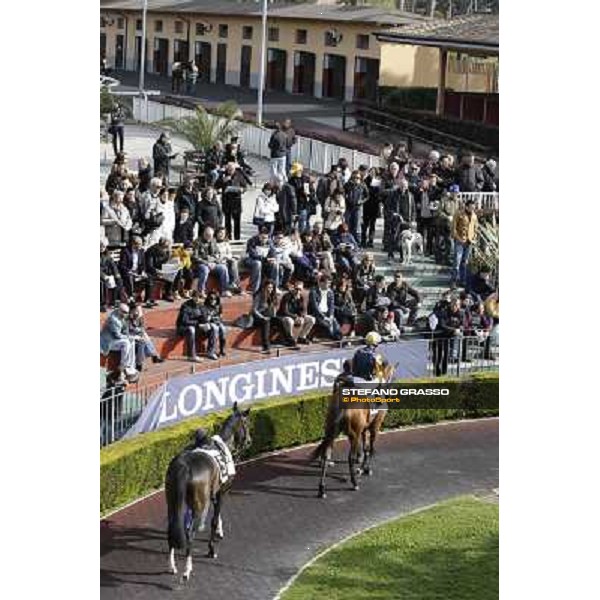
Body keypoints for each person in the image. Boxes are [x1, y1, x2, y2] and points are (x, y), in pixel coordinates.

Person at [100, 303, 138, 379]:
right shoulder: (113, 319)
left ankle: (130, 366)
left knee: (132, 342)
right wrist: (130, 337)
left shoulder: (122, 317)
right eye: (125, 313)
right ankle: (123, 366)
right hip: (108, 343)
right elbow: (117, 336)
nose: (126, 314)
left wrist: (132, 335)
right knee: (126, 343)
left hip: (115, 340)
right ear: (119, 311)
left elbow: (125, 331)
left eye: (127, 312)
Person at [192, 226, 231, 298]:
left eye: (210, 236)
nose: (209, 237)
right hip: (201, 264)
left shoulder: (213, 240)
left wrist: (214, 262)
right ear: (204, 233)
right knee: (205, 270)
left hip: (212, 263)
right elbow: (195, 257)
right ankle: (201, 291)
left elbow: (217, 254)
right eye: (207, 235)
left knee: (223, 268)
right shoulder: (197, 242)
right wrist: (207, 263)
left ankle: (224, 290)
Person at [215, 162, 247, 241]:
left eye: (232, 169)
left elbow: (245, 186)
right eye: (229, 169)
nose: (230, 171)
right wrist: (223, 181)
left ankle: (237, 238)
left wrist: (242, 190)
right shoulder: (222, 175)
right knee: (227, 221)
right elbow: (216, 185)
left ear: (234, 169)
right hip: (226, 201)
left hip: (236, 201)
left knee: (237, 222)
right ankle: (228, 237)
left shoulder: (239, 175)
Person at [277, 281, 315, 347]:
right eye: (296, 289)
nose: (298, 291)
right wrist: (295, 317)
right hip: (284, 316)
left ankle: (302, 337)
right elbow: (284, 311)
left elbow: (303, 310)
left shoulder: (301, 297)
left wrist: (301, 317)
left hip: (296, 316)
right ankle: (290, 340)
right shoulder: (287, 296)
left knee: (311, 319)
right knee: (290, 321)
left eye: (300, 289)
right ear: (293, 288)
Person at [128, 302, 164, 371]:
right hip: (129, 336)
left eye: (140, 310)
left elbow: (142, 328)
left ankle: (140, 363)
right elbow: (128, 330)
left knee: (143, 339)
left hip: (138, 335)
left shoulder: (141, 318)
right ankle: (154, 356)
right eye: (137, 310)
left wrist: (139, 331)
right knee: (144, 338)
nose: (139, 312)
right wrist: (135, 326)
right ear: (132, 310)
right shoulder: (128, 318)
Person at [451, 199, 478, 288]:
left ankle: (463, 280)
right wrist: (457, 238)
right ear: (466, 207)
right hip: (460, 240)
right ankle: (453, 281)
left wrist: (474, 237)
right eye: (471, 207)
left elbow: (475, 227)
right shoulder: (459, 214)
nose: (472, 209)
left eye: (473, 208)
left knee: (465, 262)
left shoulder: (474, 216)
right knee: (457, 261)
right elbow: (453, 228)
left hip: (469, 241)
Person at [242, 227, 277, 295]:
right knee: (258, 263)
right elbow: (253, 254)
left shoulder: (269, 241)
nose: (264, 240)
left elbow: (273, 252)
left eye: (266, 238)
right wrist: (266, 259)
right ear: (259, 235)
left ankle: (272, 286)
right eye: (262, 237)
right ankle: (254, 288)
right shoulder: (252, 240)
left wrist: (273, 258)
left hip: (263, 260)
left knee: (274, 264)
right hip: (250, 260)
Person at [308, 275, 342, 341]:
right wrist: (324, 317)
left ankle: (339, 337)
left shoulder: (330, 292)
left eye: (330, 283)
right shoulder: (313, 291)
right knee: (327, 324)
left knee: (334, 321)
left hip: (327, 314)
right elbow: (315, 307)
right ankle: (335, 338)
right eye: (327, 283)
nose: (329, 285)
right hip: (317, 314)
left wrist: (331, 315)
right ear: (321, 283)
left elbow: (332, 306)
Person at [144, 238, 175, 307]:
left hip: (160, 269)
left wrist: (170, 257)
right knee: (150, 278)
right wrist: (157, 271)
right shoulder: (151, 251)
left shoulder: (166, 251)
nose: (167, 249)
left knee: (173, 272)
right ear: (160, 246)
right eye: (166, 247)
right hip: (151, 270)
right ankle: (149, 299)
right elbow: (149, 265)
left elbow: (165, 262)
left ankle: (168, 294)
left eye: (168, 247)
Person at [176, 290, 204, 363]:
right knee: (191, 330)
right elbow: (184, 321)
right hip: (183, 327)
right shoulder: (186, 306)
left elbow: (203, 318)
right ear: (192, 297)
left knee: (212, 327)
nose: (197, 299)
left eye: (199, 298)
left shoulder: (201, 305)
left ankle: (210, 351)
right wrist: (197, 323)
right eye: (196, 297)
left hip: (195, 326)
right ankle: (191, 356)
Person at [118, 236, 147, 303]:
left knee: (148, 278)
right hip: (128, 271)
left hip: (137, 271)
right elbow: (122, 265)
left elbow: (143, 264)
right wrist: (130, 272)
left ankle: (145, 298)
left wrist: (142, 271)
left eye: (141, 244)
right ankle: (131, 296)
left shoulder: (141, 251)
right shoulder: (125, 251)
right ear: (133, 244)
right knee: (129, 278)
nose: (140, 246)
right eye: (139, 244)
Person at [215, 227, 243, 294]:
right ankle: (226, 288)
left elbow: (230, 254)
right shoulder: (213, 243)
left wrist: (227, 257)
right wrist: (222, 258)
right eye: (220, 233)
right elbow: (214, 255)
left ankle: (235, 284)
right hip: (218, 262)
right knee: (226, 266)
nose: (221, 234)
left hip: (226, 261)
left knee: (234, 262)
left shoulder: (226, 243)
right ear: (216, 233)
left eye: (223, 233)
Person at [200, 291, 227, 360]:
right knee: (215, 329)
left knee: (223, 329)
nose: (212, 300)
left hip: (216, 323)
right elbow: (205, 320)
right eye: (211, 298)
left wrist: (218, 319)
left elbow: (221, 316)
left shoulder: (218, 306)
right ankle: (210, 351)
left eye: (214, 299)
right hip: (206, 326)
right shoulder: (204, 307)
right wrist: (211, 315)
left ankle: (222, 349)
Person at [252, 279, 278, 353]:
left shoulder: (272, 295)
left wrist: (274, 316)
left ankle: (289, 341)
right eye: (268, 287)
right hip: (258, 318)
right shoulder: (259, 295)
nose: (270, 289)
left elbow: (274, 308)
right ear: (264, 287)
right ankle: (266, 347)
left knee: (280, 320)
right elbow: (254, 310)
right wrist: (263, 317)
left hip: (268, 317)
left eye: (271, 288)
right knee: (266, 322)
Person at [288, 163, 314, 234]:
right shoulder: (291, 180)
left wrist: (308, 194)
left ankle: (300, 236)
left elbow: (312, 192)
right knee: (291, 225)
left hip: (303, 205)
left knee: (303, 224)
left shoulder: (306, 179)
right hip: (293, 206)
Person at [344, 170, 369, 244]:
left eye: (357, 178)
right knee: (348, 225)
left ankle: (357, 243)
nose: (356, 179)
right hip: (349, 207)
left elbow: (367, 196)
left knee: (357, 226)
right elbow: (342, 193)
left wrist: (361, 201)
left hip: (358, 208)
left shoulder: (362, 185)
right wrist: (346, 198)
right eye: (354, 177)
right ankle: (349, 242)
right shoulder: (347, 185)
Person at [362, 166, 382, 248]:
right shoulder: (365, 180)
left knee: (372, 225)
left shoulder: (377, 181)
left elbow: (377, 193)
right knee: (365, 224)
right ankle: (363, 240)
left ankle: (370, 240)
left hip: (374, 205)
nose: (372, 173)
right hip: (366, 205)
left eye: (374, 172)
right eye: (371, 171)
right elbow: (365, 192)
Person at [100, 241, 123, 312]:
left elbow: (113, 265)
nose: (102, 248)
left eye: (103, 246)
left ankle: (114, 301)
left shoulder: (107, 254)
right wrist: (103, 276)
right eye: (100, 246)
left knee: (119, 280)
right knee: (101, 283)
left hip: (107, 274)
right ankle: (102, 304)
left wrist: (116, 273)